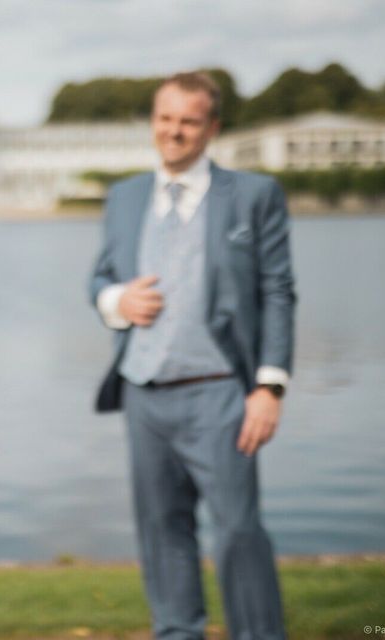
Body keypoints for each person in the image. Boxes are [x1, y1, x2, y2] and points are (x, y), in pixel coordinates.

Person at [89, 71, 295, 640]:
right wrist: (116, 299)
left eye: (188, 121)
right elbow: (100, 277)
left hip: (223, 391)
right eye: (165, 118)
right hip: (143, 392)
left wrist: (269, 386)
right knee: (161, 530)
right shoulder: (125, 196)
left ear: (212, 127)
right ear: (153, 121)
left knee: (238, 531)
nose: (174, 132)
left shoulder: (254, 195)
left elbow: (278, 292)